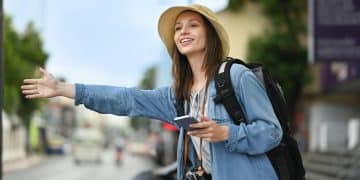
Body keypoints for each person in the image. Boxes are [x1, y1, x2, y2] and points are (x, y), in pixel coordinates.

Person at [21, 4, 282, 180]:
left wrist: (225, 132)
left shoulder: (237, 77)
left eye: (193, 25)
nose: (183, 31)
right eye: (178, 28)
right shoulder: (178, 95)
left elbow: (272, 132)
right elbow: (126, 99)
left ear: (210, 35)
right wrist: (63, 89)